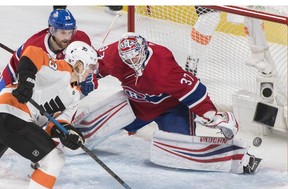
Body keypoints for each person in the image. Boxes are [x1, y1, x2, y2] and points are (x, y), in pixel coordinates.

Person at [72, 32, 262, 174]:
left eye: (135, 57)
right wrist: (89, 79)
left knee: (179, 153)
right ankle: (58, 136)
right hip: (135, 104)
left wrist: (214, 115)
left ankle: (238, 158)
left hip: (171, 109)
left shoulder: (162, 66)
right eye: (127, 59)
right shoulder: (114, 55)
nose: (132, 62)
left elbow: (194, 91)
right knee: (85, 131)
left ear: (144, 50)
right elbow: (94, 66)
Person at [0, 41, 98, 189]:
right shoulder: (61, 69)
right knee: (54, 160)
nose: (92, 72)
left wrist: (70, 135)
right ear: (78, 64)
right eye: (90, 67)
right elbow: (32, 53)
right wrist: (27, 81)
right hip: (11, 111)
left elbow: (59, 124)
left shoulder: (75, 95)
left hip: (14, 118)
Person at [0, 8, 98, 158]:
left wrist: (90, 79)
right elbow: (27, 70)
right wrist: (26, 83)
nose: (67, 37)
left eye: (70, 32)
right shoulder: (36, 45)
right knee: (9, 115)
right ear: (51, 30)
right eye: (62, 33)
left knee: (63, 102)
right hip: (17, 75)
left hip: (52, 78)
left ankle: (42, 148)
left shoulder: (79, 40)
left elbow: (88, 63)